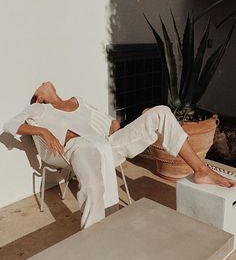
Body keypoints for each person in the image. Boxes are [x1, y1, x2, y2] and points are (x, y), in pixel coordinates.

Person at [3, 81, 236, 229]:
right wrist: (43, 130)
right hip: (77, 148)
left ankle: (201, 170)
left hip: (105, 144)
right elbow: (10, 125)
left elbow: (108, 121)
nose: (44, 82)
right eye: (39, 87)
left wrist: (120, 131)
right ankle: (96, 242)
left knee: (162, 112)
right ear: (40, 98)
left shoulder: (77, 102)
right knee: (93, 187)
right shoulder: (39, 108)